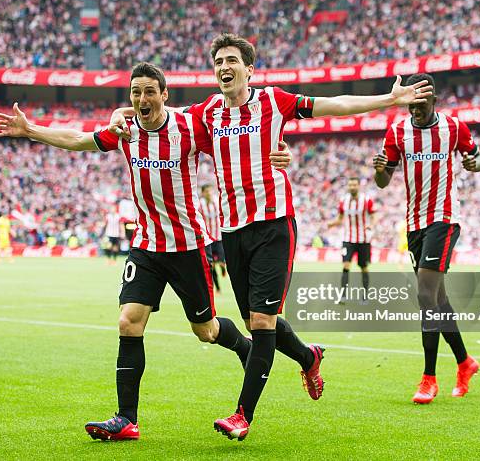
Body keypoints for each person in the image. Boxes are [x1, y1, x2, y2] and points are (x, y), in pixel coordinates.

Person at [111, 32, 433, 440]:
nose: (224, 67)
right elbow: (154, 112)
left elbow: (331, 106)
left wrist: (388, 100)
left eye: (232, 60)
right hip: (232, 230)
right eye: (218, 61)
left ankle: (242, 415)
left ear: (249, 68)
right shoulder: (206, 112)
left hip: (274, 223)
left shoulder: (272, 101)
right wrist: (119, 113)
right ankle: (307, 355)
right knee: (254, 319)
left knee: (261, 320)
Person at [0, 61, 292, 442]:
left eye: (150, 91)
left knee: (205, 330)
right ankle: (125, 419)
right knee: (128, 322)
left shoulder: (188, 127)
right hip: (147, 245)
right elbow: (78, 139)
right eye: (136, 92)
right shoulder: (125, 130)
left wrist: (282, 154)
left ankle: (243, 347)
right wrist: (31, 130)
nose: (143, 98)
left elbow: (237, 141)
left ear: (164, 95)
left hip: (187, 246)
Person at [372, 73, 480, 405]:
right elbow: (383, 180)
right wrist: (380, 169)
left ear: (434, 100)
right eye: (411, 104)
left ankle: (429, 378)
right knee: (438, 300)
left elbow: (478, 158)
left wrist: (473, 163)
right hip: (414, 225)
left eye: (422, 104)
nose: (416, 111)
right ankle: (465, 362)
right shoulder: (397, 131)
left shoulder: (453, 128)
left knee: (424, 293)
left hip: (444, 219)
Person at [328, 177, 376, 293]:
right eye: (350, 185)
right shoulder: (343, 200)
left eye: (354, 185)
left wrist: (371, 225)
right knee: (346, 265)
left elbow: (373, 215)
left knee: (363, 267)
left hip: (363, 240)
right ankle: (343, 294)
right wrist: (331, 224)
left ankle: (365, 294)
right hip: (348, 239)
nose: (352, 187)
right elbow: (340, 219)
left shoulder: (367, 200)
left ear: (359, 186)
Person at [200, 183, 226, 293]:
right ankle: (218, 288)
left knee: (220, 263)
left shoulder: (216, 201)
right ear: (203, 193)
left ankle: (223, 267)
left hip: (218, 238)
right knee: (211, 265)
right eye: (206, 191)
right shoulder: (200, 205)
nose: (209, 193)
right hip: (208, 240)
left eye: (210, 191)